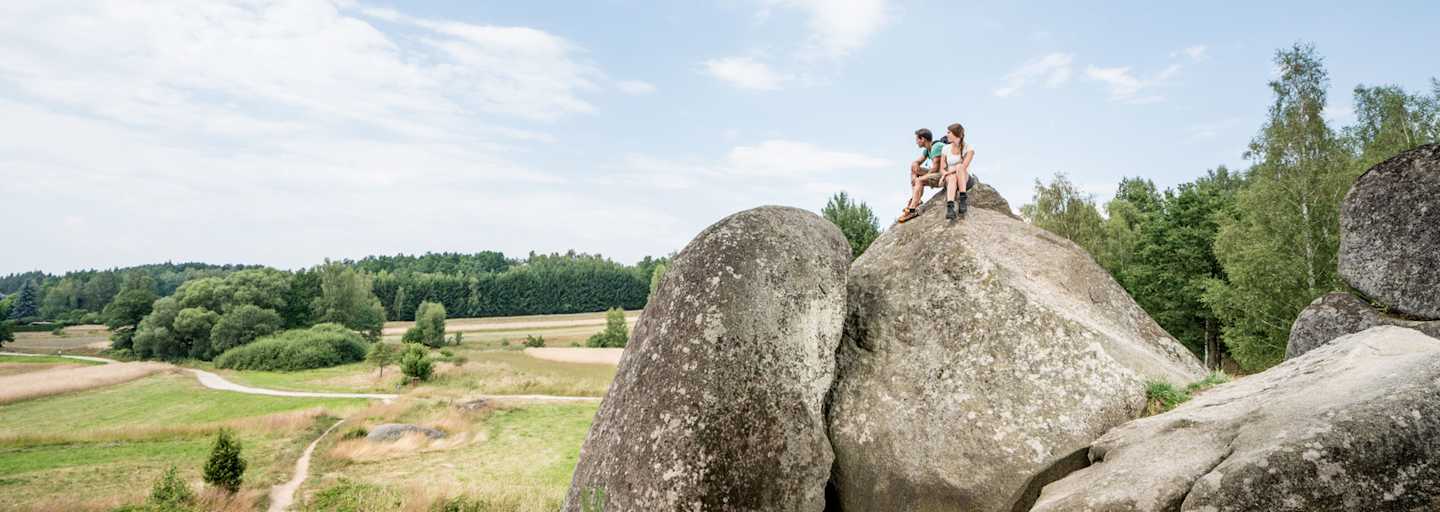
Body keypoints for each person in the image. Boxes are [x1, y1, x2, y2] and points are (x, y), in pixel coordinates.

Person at [897, 128, 946, 223]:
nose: (916, 142)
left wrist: (920, 179)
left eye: (917, 139)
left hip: (944, 175)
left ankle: (912, 209)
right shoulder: (927, 150)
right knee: (914, 168)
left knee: (919, 180)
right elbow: (917, 162)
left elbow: (935, 168)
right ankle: (917, 200)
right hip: (936, 174)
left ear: (922, 139)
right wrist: (915, 167)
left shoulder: (937, 147)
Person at [940, 123, 975, 220]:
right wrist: (945, 174)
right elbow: (942, 168)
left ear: (956, 134)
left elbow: (964, 166)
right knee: (952, 177)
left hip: (964, 179)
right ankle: (950, 208)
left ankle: (963, 198)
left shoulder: (969, 148)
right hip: (951, 179)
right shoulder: (945, 148)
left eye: (949, 132)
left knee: (959, 166)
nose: (947, 134)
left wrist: (947, 173)